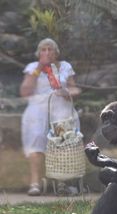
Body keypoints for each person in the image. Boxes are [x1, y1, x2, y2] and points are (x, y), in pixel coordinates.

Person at [20, 38, 81, 196]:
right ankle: (35, 183)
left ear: (56, 52)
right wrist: (40, 67)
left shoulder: (65, 66)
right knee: (36, 138)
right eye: (43, 50)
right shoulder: (33, 67)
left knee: (62, 140)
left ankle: (62, 184)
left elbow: (74, 89)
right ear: (39, 53)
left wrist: (69, 93)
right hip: (38, 109)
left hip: (60, 108)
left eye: (50, 49)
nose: (47, 52)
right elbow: (25, 91)